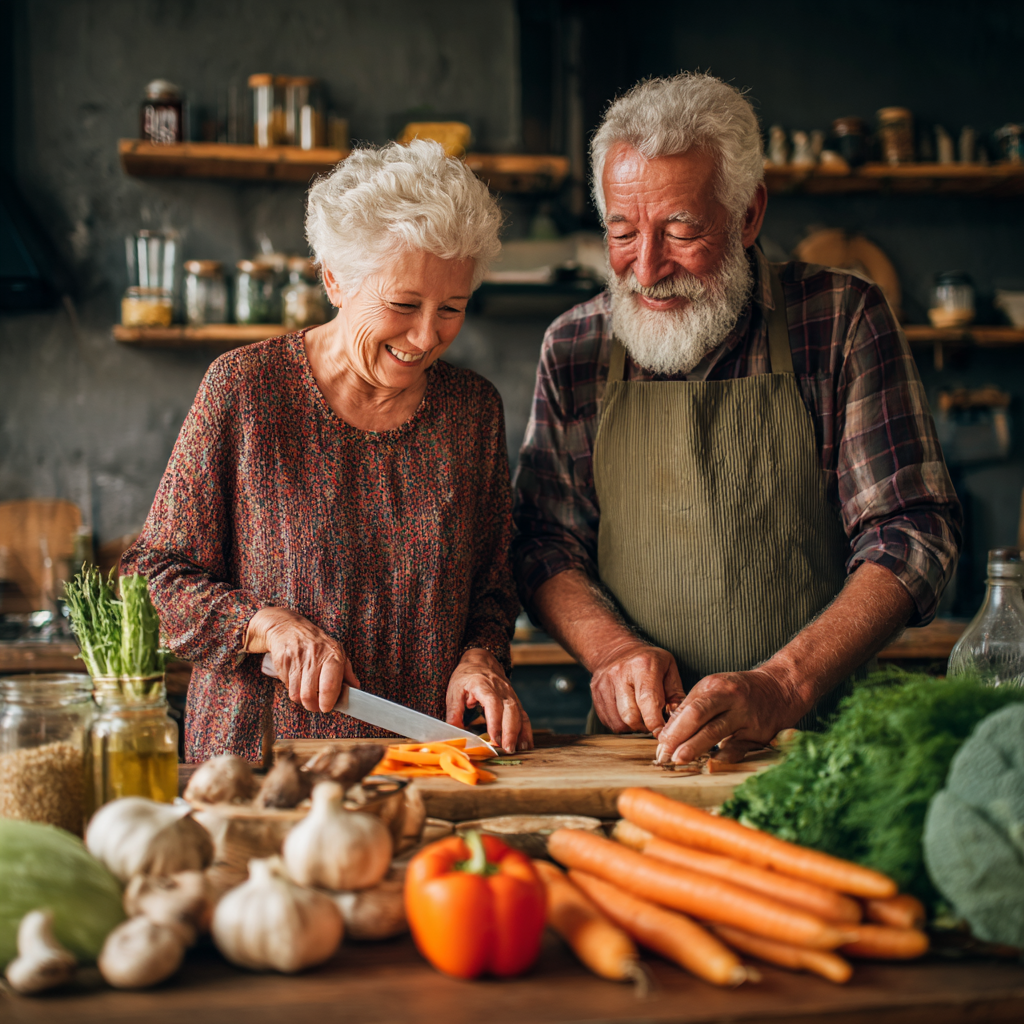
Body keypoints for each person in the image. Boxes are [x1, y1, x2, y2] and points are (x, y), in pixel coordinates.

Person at [512, 74, 961, 764]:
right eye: (623, 232)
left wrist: (783, 685)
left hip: (816, 747)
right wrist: (612, 651)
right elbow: (544, 541)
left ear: (748, 216)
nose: (649, 268)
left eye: (682, 230)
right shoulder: (575, 346)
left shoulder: (841, 320)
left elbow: (912, 531)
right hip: (639, 750)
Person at [123, 141, 532, 761]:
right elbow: (151, 579)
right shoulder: (245, 389)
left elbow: (493, 588)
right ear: (335, 279)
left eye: (452, 308)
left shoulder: (471, 411)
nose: (426, 336)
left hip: (424, 764)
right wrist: (264, 625)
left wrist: (481, 658)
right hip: (256, 768)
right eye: (401, 305)